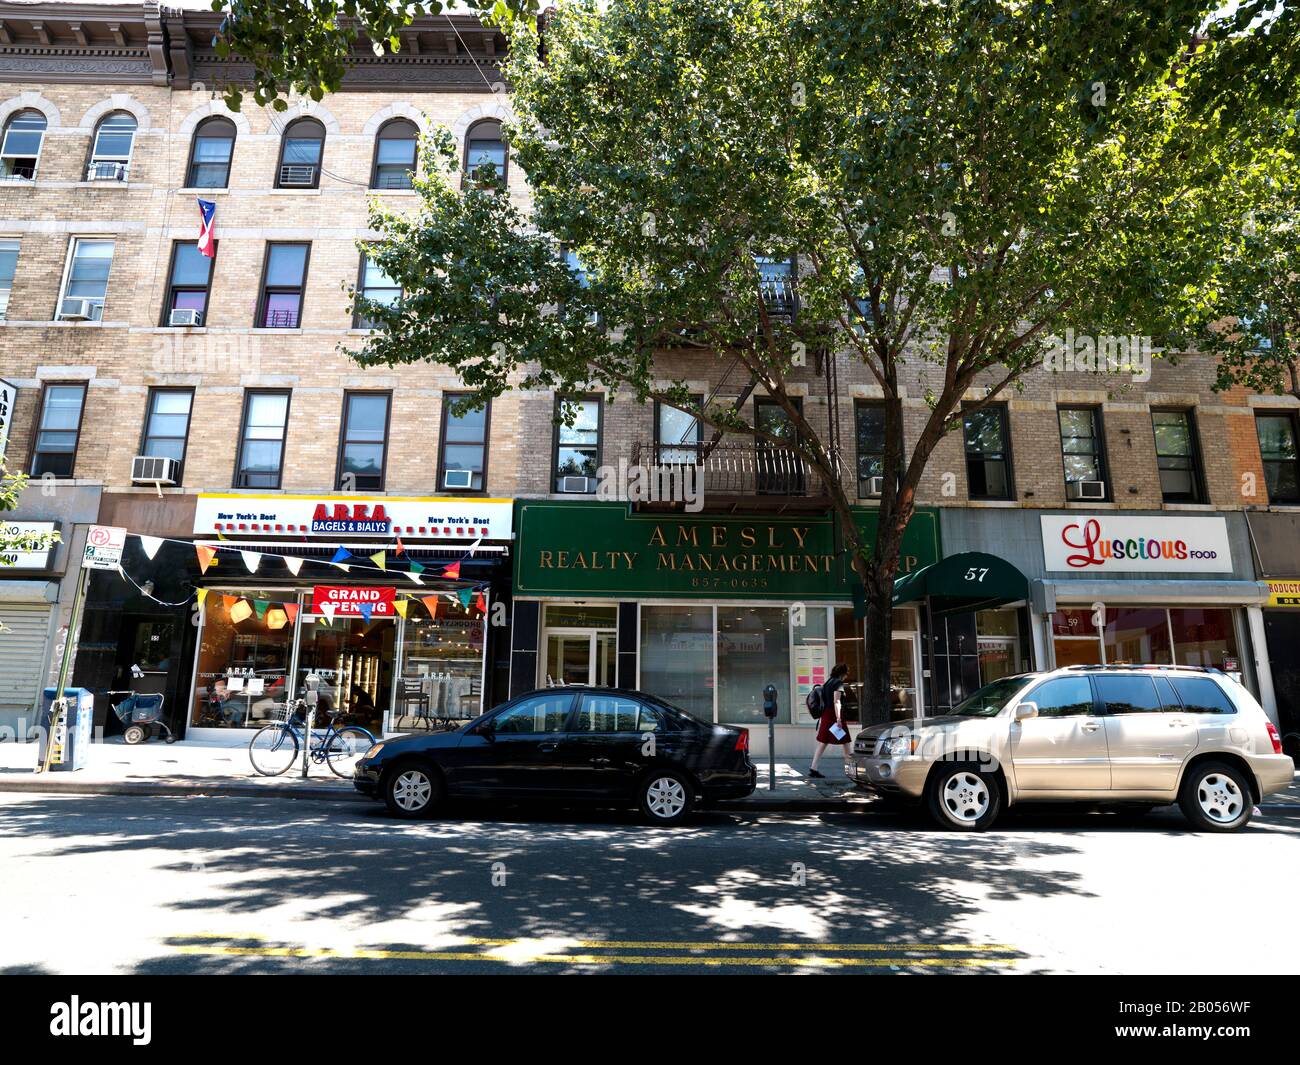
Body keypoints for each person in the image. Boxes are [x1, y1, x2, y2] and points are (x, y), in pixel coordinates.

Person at [809, 662, 852, 779]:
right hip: (834, 716)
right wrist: (838, 719)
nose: (846, 676)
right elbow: (837, 701)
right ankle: (850, 770)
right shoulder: (838, 683)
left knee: (823, 741)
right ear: (843, 674)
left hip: (826, 715)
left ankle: (813, 768)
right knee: (845, 741)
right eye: (846, 674)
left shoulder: (828, 682)